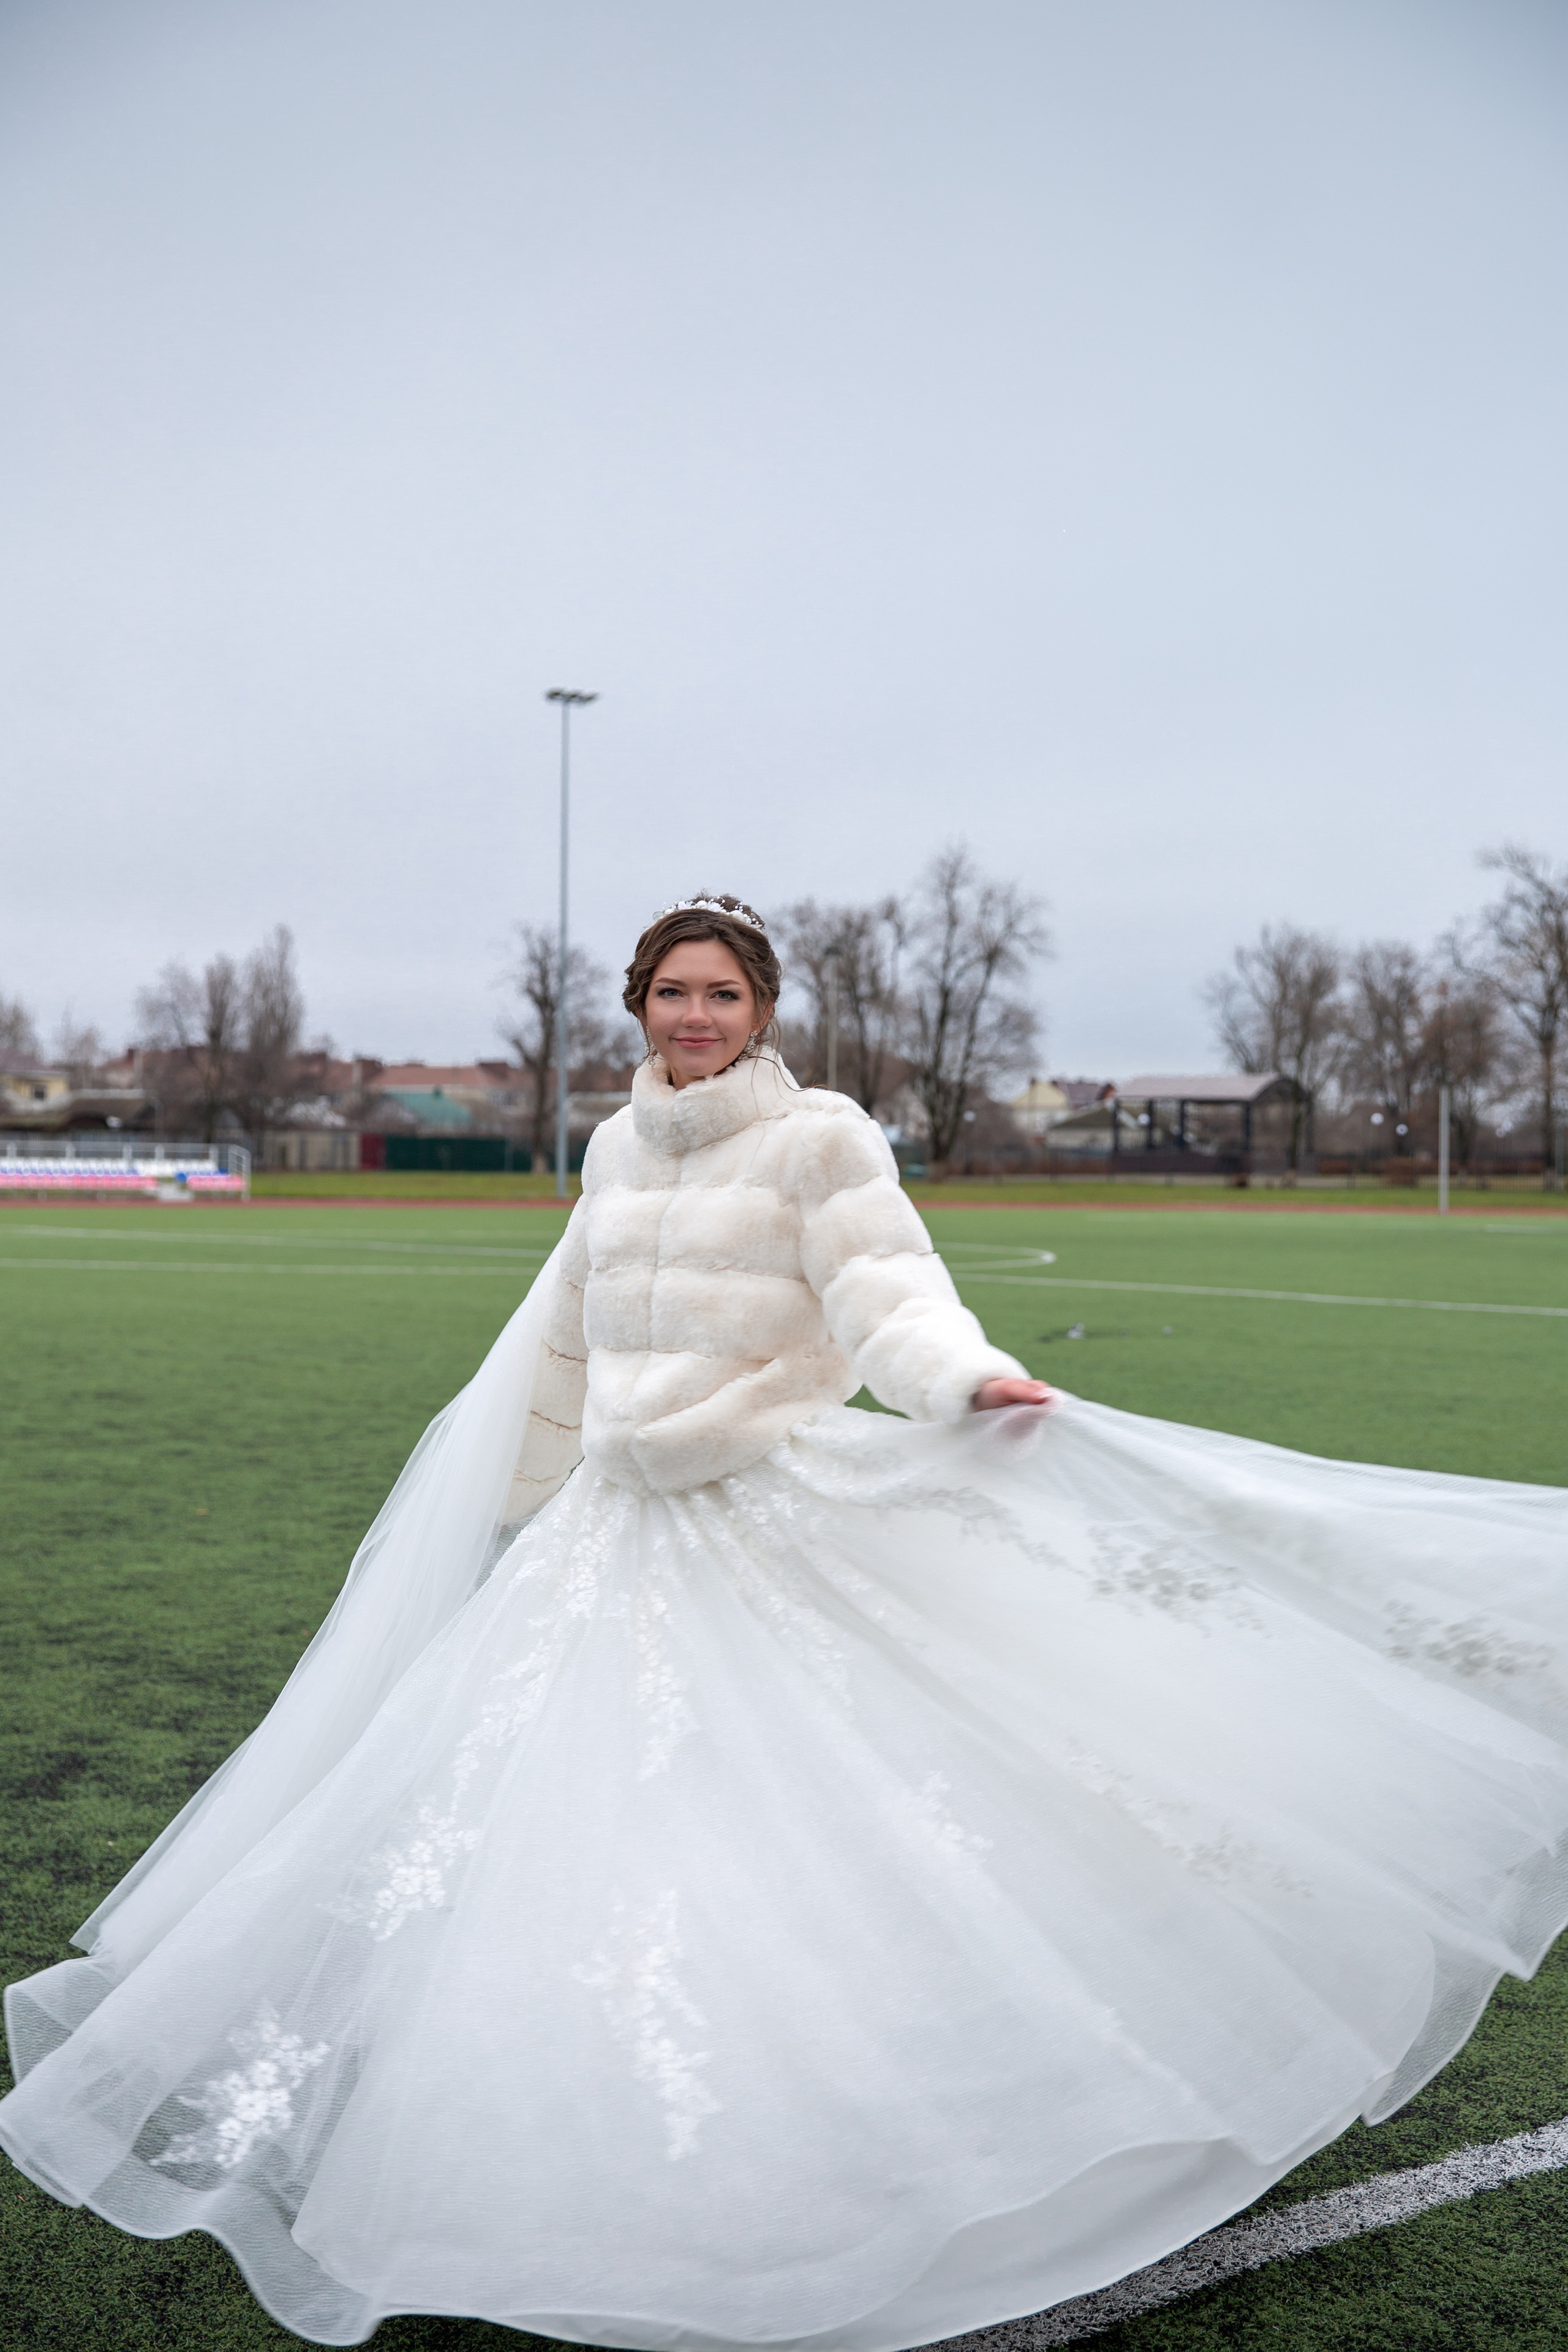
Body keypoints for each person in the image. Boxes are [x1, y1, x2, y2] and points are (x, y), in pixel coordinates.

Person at [4, 893, 1567, 2352]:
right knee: (574, 1833)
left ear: (760, 1010)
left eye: (721, 994)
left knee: (816, 1821)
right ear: (640, 1004)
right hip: (612, 1535)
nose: (694, 1015)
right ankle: (590, 2149)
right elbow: (563, 1332)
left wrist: (961, 1379)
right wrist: (525, 1484)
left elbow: (888, 1288)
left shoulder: (819, 1138)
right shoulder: (617, 1145)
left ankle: (850, 2131)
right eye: (672, 993)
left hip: (766, 1506)